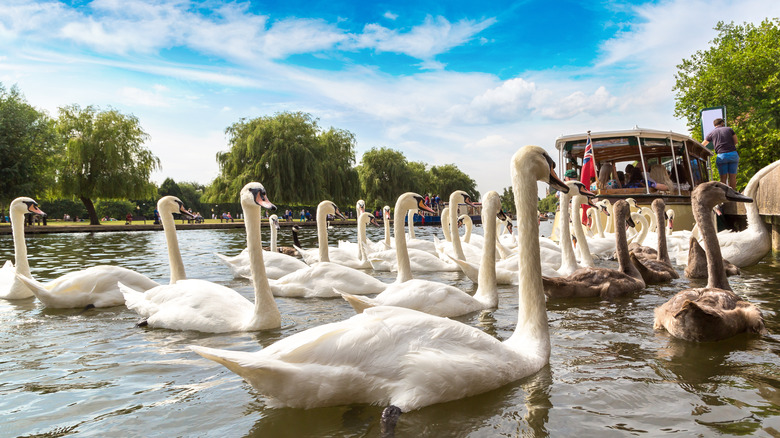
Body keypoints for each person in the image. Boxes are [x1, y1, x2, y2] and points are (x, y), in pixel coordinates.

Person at [701, 118, 739, 189]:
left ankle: (724, 196)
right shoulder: (729, 129)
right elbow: (736, 141)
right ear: (722, 123)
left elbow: (703, 144)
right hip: (733, 154)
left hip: (721, 156)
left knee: (723, 178)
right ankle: (733, 196)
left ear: (714, 125)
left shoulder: (711, 133)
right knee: (732, 177)